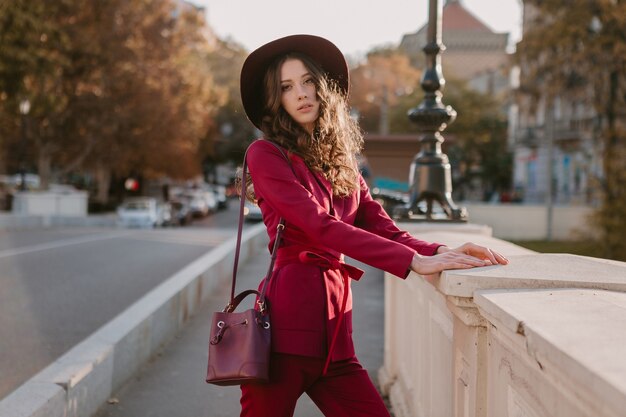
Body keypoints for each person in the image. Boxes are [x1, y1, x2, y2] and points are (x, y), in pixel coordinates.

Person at [238, 34, 508, 417]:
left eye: (308, 81)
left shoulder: (342, 163)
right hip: (282, 335)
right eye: (286, 87)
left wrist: (437, 251)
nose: (301, 93)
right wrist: (411, 263)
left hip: (335, 338)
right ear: (275, 99)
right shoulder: (265, 154)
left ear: (324, 87)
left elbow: (384, 228)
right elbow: (320, 226)